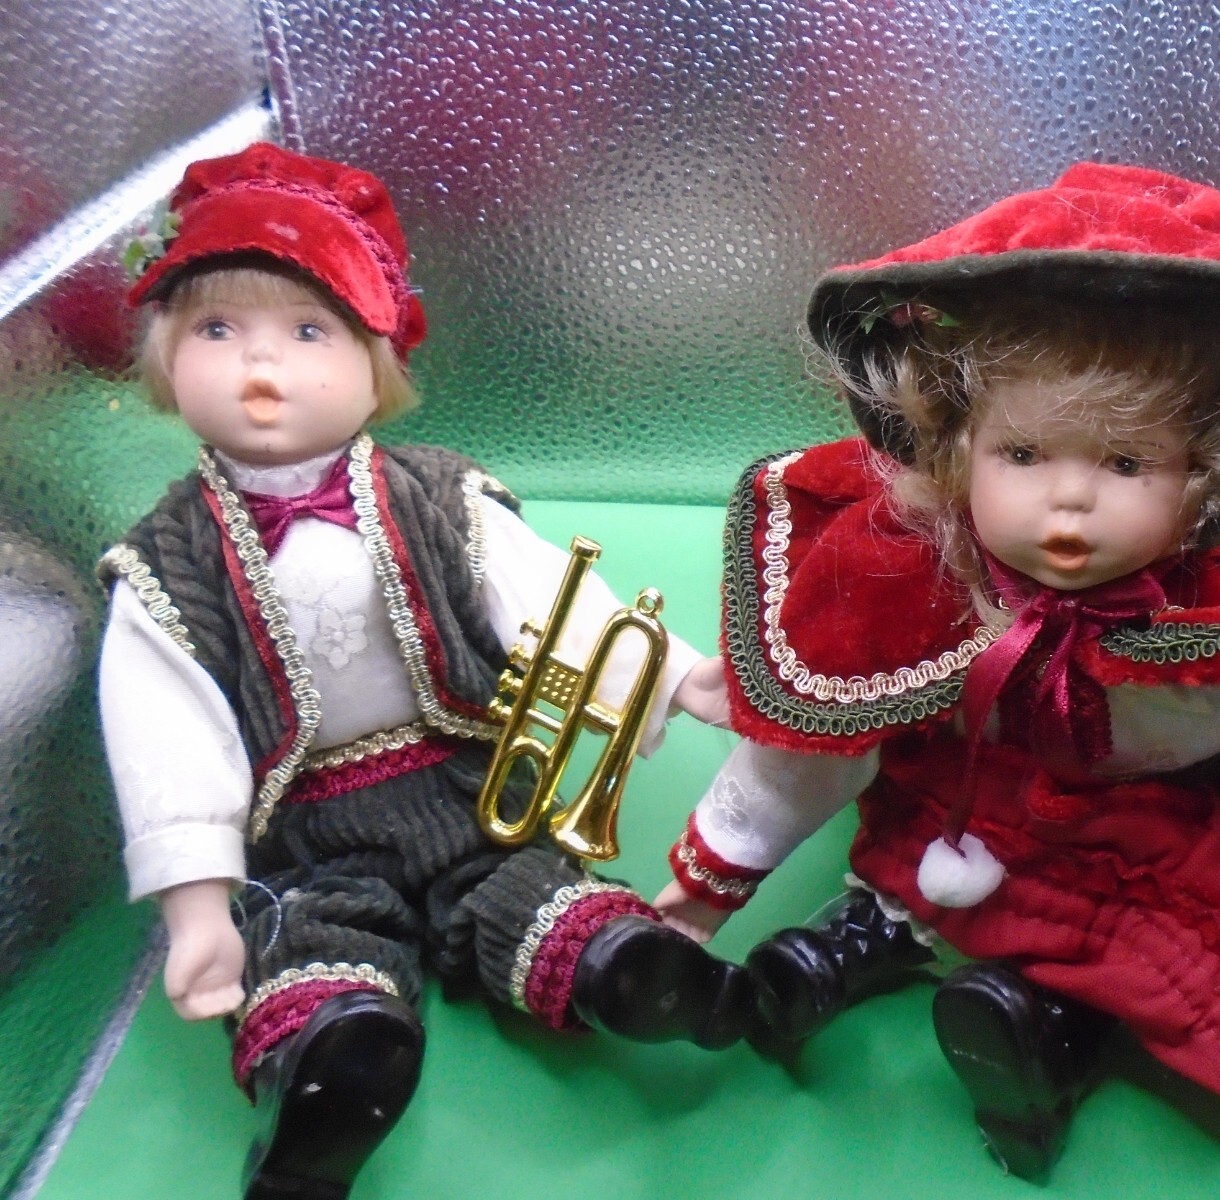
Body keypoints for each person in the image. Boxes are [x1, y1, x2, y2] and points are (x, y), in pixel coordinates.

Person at [653, 163, 1220, 1188]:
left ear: (1210, 474)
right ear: (959, 443)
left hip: (1153, 826)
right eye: (1022, 454)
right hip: (961, 803)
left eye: (1127, 466)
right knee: (914, 866)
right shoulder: (910, 565)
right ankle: (887, 947)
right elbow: (814, 751)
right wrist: (705, 888)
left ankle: (1061, 1032)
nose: (1068, 508)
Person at [99, 142, 746, 1200]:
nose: (263, 368)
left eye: (308, 331)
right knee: (308, 941)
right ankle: (332, 1069)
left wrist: (672, 677)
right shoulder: (168, 562)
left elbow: (549, 598)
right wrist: (195, 908)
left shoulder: (438, 496)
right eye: (218, 330)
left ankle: (618, 969)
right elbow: (165, 735)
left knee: (520, 884)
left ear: (376, 358)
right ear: (166, 358)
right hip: (300, 829)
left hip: (466, 788)